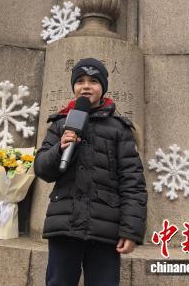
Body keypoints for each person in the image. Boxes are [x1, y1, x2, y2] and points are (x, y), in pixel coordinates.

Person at [34, 57, 147, 286]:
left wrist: (131, 231)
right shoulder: (60, 124)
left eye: (93, 81)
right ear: (74, 86)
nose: (86, 86)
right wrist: (59, 149)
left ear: (103, 87)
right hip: (64, 224)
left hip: (105, 229)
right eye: (80, 81)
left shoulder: (119, 129)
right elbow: (42, 169)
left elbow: (132, 182)